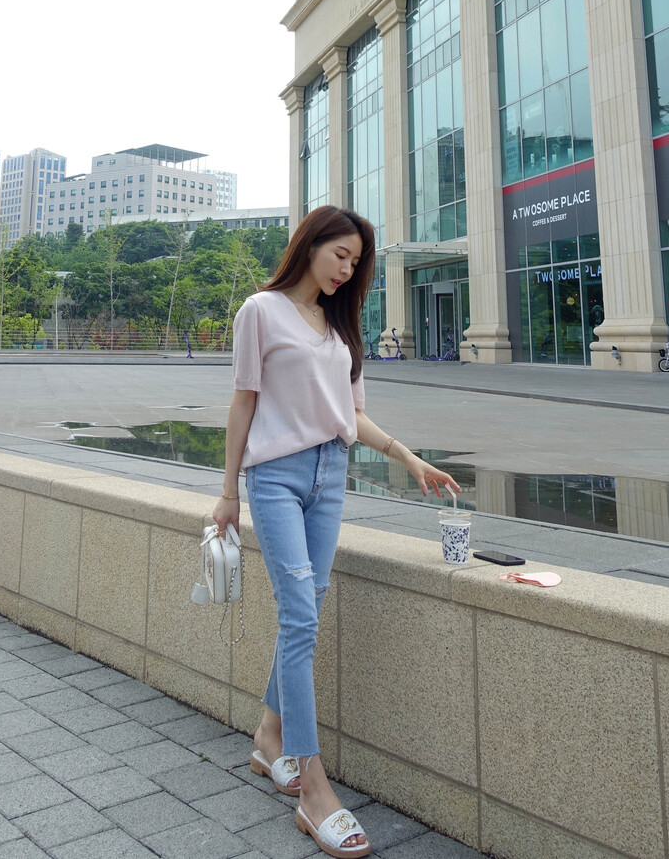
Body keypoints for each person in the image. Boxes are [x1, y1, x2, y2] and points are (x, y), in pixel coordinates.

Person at [213, 205, 461, 858]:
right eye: (340, 255)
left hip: (331, 475)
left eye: (356, 262)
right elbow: (243, 402)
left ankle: (270, 737)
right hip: (276, 477)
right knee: (299, 615)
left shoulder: (341, 327)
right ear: (311, 244)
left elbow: (351, 414)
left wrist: (409, 457)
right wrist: (228, 492)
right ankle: (314, 789)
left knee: (308, 609)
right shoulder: (260, 311)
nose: (347, 270)